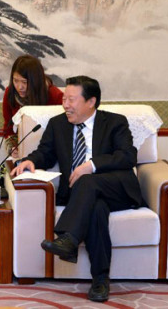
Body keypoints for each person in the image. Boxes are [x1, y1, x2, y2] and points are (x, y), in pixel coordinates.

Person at [10, 76, 143, 302]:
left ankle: (68, 237)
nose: (65, 104)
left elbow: (127, 156)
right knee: (97, 210)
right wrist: (30, 160)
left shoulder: (115, 122)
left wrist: (90, 166)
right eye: (64, 98)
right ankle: (100, 281)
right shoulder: (58, 124)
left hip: (116, 190)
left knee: (87, 181)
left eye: (71, 99)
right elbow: (46, 152)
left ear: (91, 102)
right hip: (82, 197)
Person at [2, 55, 63, 157]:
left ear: (36, 81)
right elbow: (8, 128)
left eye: (24, 82)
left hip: (49, 153)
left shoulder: (54, 95)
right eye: (15, 80)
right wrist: (12, 147)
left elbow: (63, 130)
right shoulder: (10, 93)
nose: (19, 87)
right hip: (22, 152)